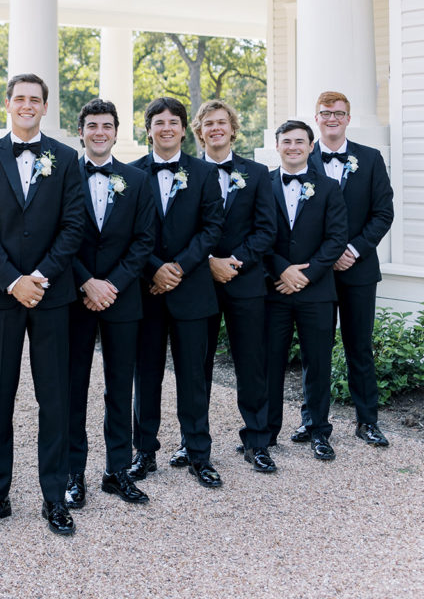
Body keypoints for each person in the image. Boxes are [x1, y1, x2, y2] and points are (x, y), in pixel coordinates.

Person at [0, 74, 85, 536]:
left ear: (45, 106)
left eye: (35, 99)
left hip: (53, 295)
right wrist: (13, 280)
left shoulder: (67, 158)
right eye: (20, 99)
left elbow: (73, 226)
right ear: (8, 104)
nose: (27, 105)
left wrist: (41, 276)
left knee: (53, 397)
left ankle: (54, 498)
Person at [129, 97, 224, 489]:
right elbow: (127, 233)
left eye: (173, 122)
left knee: (193, 376)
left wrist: (179, 267)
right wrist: (155, 267)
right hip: (146, 291)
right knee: (146, 375)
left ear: (185, 129)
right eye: (158, 122)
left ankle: (198, 453)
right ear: (148, 129)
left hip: (192, 289)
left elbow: (212, 227)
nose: (166, 128)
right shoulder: (131, 175)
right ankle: (144, 453)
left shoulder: (203, 173)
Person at [289, 91, 394, 447]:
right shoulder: (303, 158)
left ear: (349, 118)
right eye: (325, 113)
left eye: (339, 113)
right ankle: (312, 422)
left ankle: (368, 421)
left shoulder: (370, 158)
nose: (332, 119)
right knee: (314, 351)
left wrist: (353, 248)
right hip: (317, 272)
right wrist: (326, 256)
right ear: (316, 118)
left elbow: (383, 213)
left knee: (359, 347)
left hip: (359, 269)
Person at [65, 99, 154, 511]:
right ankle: (72, 475)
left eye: (106, 125)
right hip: (73, 296)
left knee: (120, 387)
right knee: (73, 389)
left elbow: (144, 241)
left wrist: (112, 285)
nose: (99, 132)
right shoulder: (63, 174)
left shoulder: (137, 179)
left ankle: (117, 471)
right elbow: (57, 235)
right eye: (92, 126)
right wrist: (87, 281)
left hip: (122, 298)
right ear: (80, 131)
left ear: (117, 132)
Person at [191, 100, 277, 473]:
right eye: (208, 123)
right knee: (197, 365)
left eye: (221, 122)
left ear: (233, 127)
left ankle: (257, 441)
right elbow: (181, 228)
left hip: (245, 282)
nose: (215, 128)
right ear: (199, 131)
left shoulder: (257, 174)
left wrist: (234, 262)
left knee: (251, 363)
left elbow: (266, 230)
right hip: (199, 281)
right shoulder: (187, 172)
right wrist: (208, 262)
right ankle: (192, 442)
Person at [266, 120, 348, 461]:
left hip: (316, 292)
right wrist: (281, 269)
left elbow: (336, 238)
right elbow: (255, 232)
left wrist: (308, 274)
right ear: (278, 145)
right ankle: (264, 434)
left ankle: (317, 430)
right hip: (274, 289)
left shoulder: (329, 188)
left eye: (300, 141)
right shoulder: (263, 183)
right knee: (269, 363)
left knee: (318, 363)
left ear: (311, 147)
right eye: (287, 141)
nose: (294, 147)